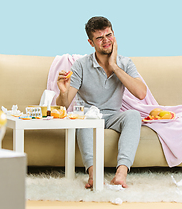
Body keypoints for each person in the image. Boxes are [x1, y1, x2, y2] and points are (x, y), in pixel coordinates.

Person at [56, 16, 147, 189]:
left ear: (114, 35)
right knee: (81, 118)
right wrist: (63, 91)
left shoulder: (125, 63)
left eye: (109, 35)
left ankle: (121, 174)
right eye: (100, 38)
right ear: (91, 42)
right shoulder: (80, 65)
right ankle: (93, 175)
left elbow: (141, 93)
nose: (106, 41)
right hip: (89, 115)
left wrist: (114, 65)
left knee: (133, 115)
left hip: (113, 116)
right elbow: (63, 106)